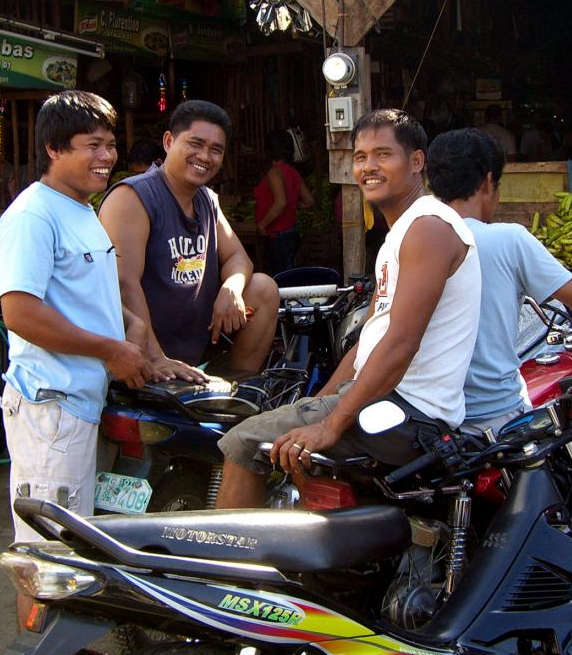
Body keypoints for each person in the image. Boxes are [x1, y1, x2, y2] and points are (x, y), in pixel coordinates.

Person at [215, 109, 481, 509]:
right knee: (290, 437)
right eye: (360, 157)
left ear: (416, 162)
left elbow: (401, 342)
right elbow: (369, 340)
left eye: (382, 155)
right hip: (385, 399)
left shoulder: (429, 226)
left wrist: (332, 423)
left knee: (242, 441)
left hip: (409, 413)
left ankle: (231, 569)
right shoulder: (402, 232)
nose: (368, 167)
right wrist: (321, 404)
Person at [0, 90, 156, 544]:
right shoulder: (32, 215)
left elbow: (81, 294)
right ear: (53, 148)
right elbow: (21, 313)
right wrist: (109, 349)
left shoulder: (82, 210)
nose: (107, 157)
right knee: (48, 554)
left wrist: (131, 327)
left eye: (111, 144)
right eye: (93, 145)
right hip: (52, 409)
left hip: (84, 404)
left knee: (82, 544)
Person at [426, 128, 572, 434]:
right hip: (495, 416)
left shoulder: (412, 241)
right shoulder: (509, 239)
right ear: (488, 182)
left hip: (430, 418)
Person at [99, 100, 278, 378]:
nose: (205, 156)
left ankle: (238, 388)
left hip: (196, 343)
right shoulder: (133, 197)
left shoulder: (206, 199)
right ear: (169, 142)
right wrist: (156, 357)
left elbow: (238, 257)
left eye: (215, 150)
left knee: (263, 288)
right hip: (143, 350)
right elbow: (122, 283)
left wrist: (230, 289)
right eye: (195, 144)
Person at [254, 129, 315, 275]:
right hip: (291, 233)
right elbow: (309, 201)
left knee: (280, 280)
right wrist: (293, 204)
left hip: (278, 236)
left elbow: (281, 202)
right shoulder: (293, 172)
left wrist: (262, 225)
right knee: (287, 277)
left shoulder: (275, 172)